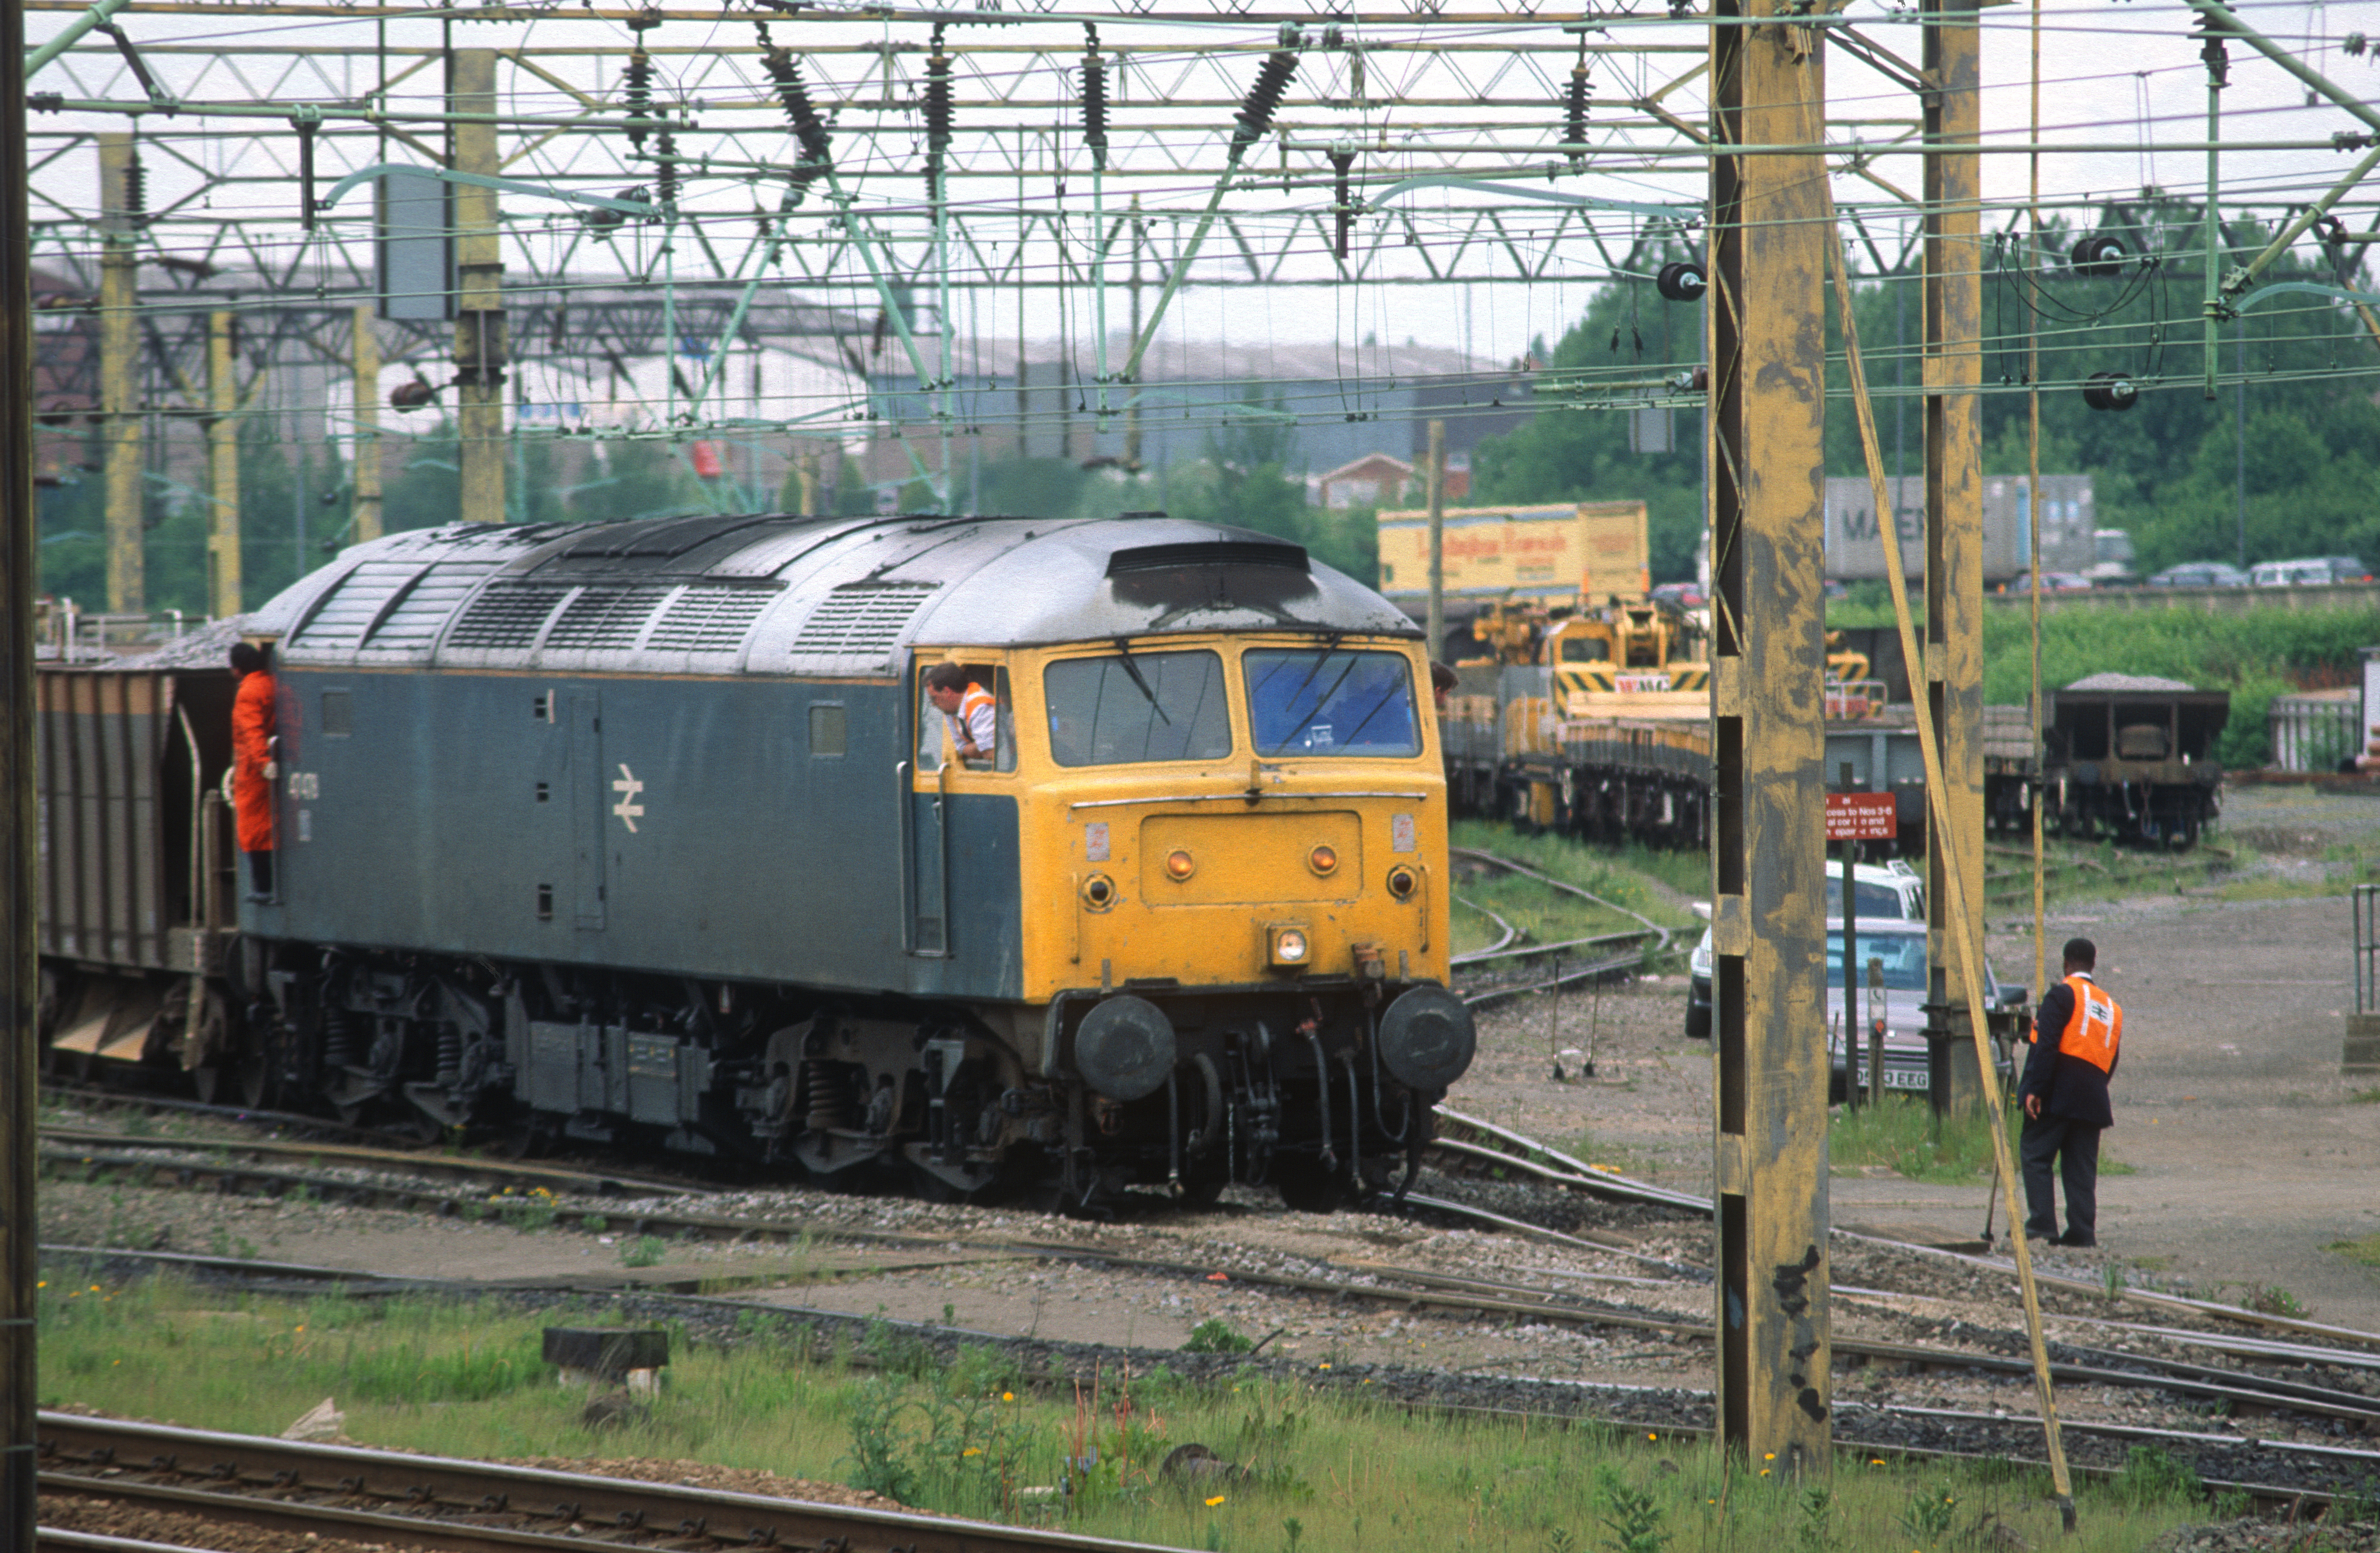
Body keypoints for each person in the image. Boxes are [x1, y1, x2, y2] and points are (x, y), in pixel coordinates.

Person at [2018, 935, 2123, 1248]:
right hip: (2094, 1097)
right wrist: (2093, 1088)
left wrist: (2035, 1089)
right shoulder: (2112, 1009)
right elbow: (2112, 1057)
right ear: (2093, 964)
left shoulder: (2062, 995)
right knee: (2080, 1168)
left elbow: (2046, 1044)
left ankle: (2042, 1224)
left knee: (2036, 1154)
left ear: (2066, 964)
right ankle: (2082, 1231)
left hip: (2058, 1090)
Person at [229, 640, 279, 901]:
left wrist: (263, 762)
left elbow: (252, 731)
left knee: (253, 828)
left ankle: (263, 888)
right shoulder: (274, 684)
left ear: (237, 669)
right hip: (275, 760)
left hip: (253, 771)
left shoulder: (248, 692)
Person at [924, 662, 996, 765]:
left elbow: (989, 753)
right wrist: (980, 745)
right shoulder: (951, 711)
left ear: (947, 692)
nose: (933, 704)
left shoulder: (980, 706)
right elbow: (961, 747)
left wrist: (979, 747)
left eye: (934, 698)